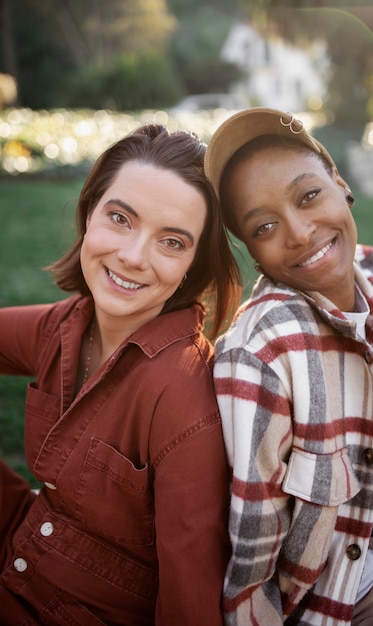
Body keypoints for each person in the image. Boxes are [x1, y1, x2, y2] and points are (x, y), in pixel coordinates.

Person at [0, 123, 241, 625]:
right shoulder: (66, 326)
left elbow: (189, 605)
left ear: (193, 264)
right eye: (120, 218)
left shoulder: (182, 396)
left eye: (172, 242)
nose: (133, 256)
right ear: (89, 211)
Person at [203, 107, 373, 625]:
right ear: (252, 251)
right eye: (265, 225)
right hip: (343, 601)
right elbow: (251, 570)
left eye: (308, 196)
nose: (299, 232)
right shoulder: (260, 358)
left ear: (339, 183)